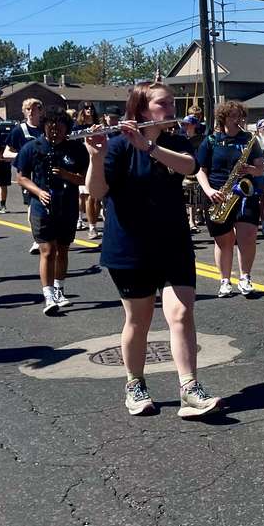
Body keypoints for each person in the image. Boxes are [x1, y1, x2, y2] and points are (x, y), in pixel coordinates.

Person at [85, 81, 221, 419]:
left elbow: (189, 167)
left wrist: (149, 147)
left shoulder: (175, 141)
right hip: (130, 246)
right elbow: (96, 191)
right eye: (163, 104)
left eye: (172, 102)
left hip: (173, 242)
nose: (171, 108)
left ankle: (189, 388)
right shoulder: (117, 146)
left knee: (181, 313)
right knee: (139, 320)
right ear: (142, 110)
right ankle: (135, 384)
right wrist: (96, 156)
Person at [15, 106, 88, 315]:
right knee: (48, 250)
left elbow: (85, 178)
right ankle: (48, 295)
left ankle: (59, 289)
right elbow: (21, 177)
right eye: (50, 126)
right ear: (44, 126)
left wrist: (67, 175)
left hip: (68, 204)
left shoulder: (76, 149)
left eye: (59, 127)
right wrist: (38, 192)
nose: (54, 130)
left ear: (67, 128)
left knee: (63, 249)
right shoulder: (32, 147)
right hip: (42, 205)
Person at [196, 100, 264, 297]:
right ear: (223, 117)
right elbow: (200, 170)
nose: (238, 120)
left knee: (248, 236)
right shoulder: (211, 141)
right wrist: (209, 190)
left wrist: (251, 169)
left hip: (245, 194)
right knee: (224, 242)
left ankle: (245, 278)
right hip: (218, 194)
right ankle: (225, 280)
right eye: (234, 116)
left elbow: (261, 169)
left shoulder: (250, 140)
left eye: (240, 116)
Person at [3, 98, 46, 255]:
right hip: (29, 174)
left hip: (47, 172)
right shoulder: (19, 130)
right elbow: (6, 153)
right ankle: (37, 239)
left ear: (41, 110)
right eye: (28, 108)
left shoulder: (46, 127)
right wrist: (25, 155)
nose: (31, 111)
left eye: (35, 108)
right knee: (32, 206)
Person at [74, 101, 103, 239]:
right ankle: (90, 225)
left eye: (91, 107)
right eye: (86, 108)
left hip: (97, 161)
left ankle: (93, 224)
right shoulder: (76, 127)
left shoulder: (99, 125)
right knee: (85, 196)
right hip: (82, 164)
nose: (89, 110)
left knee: (96, 198)